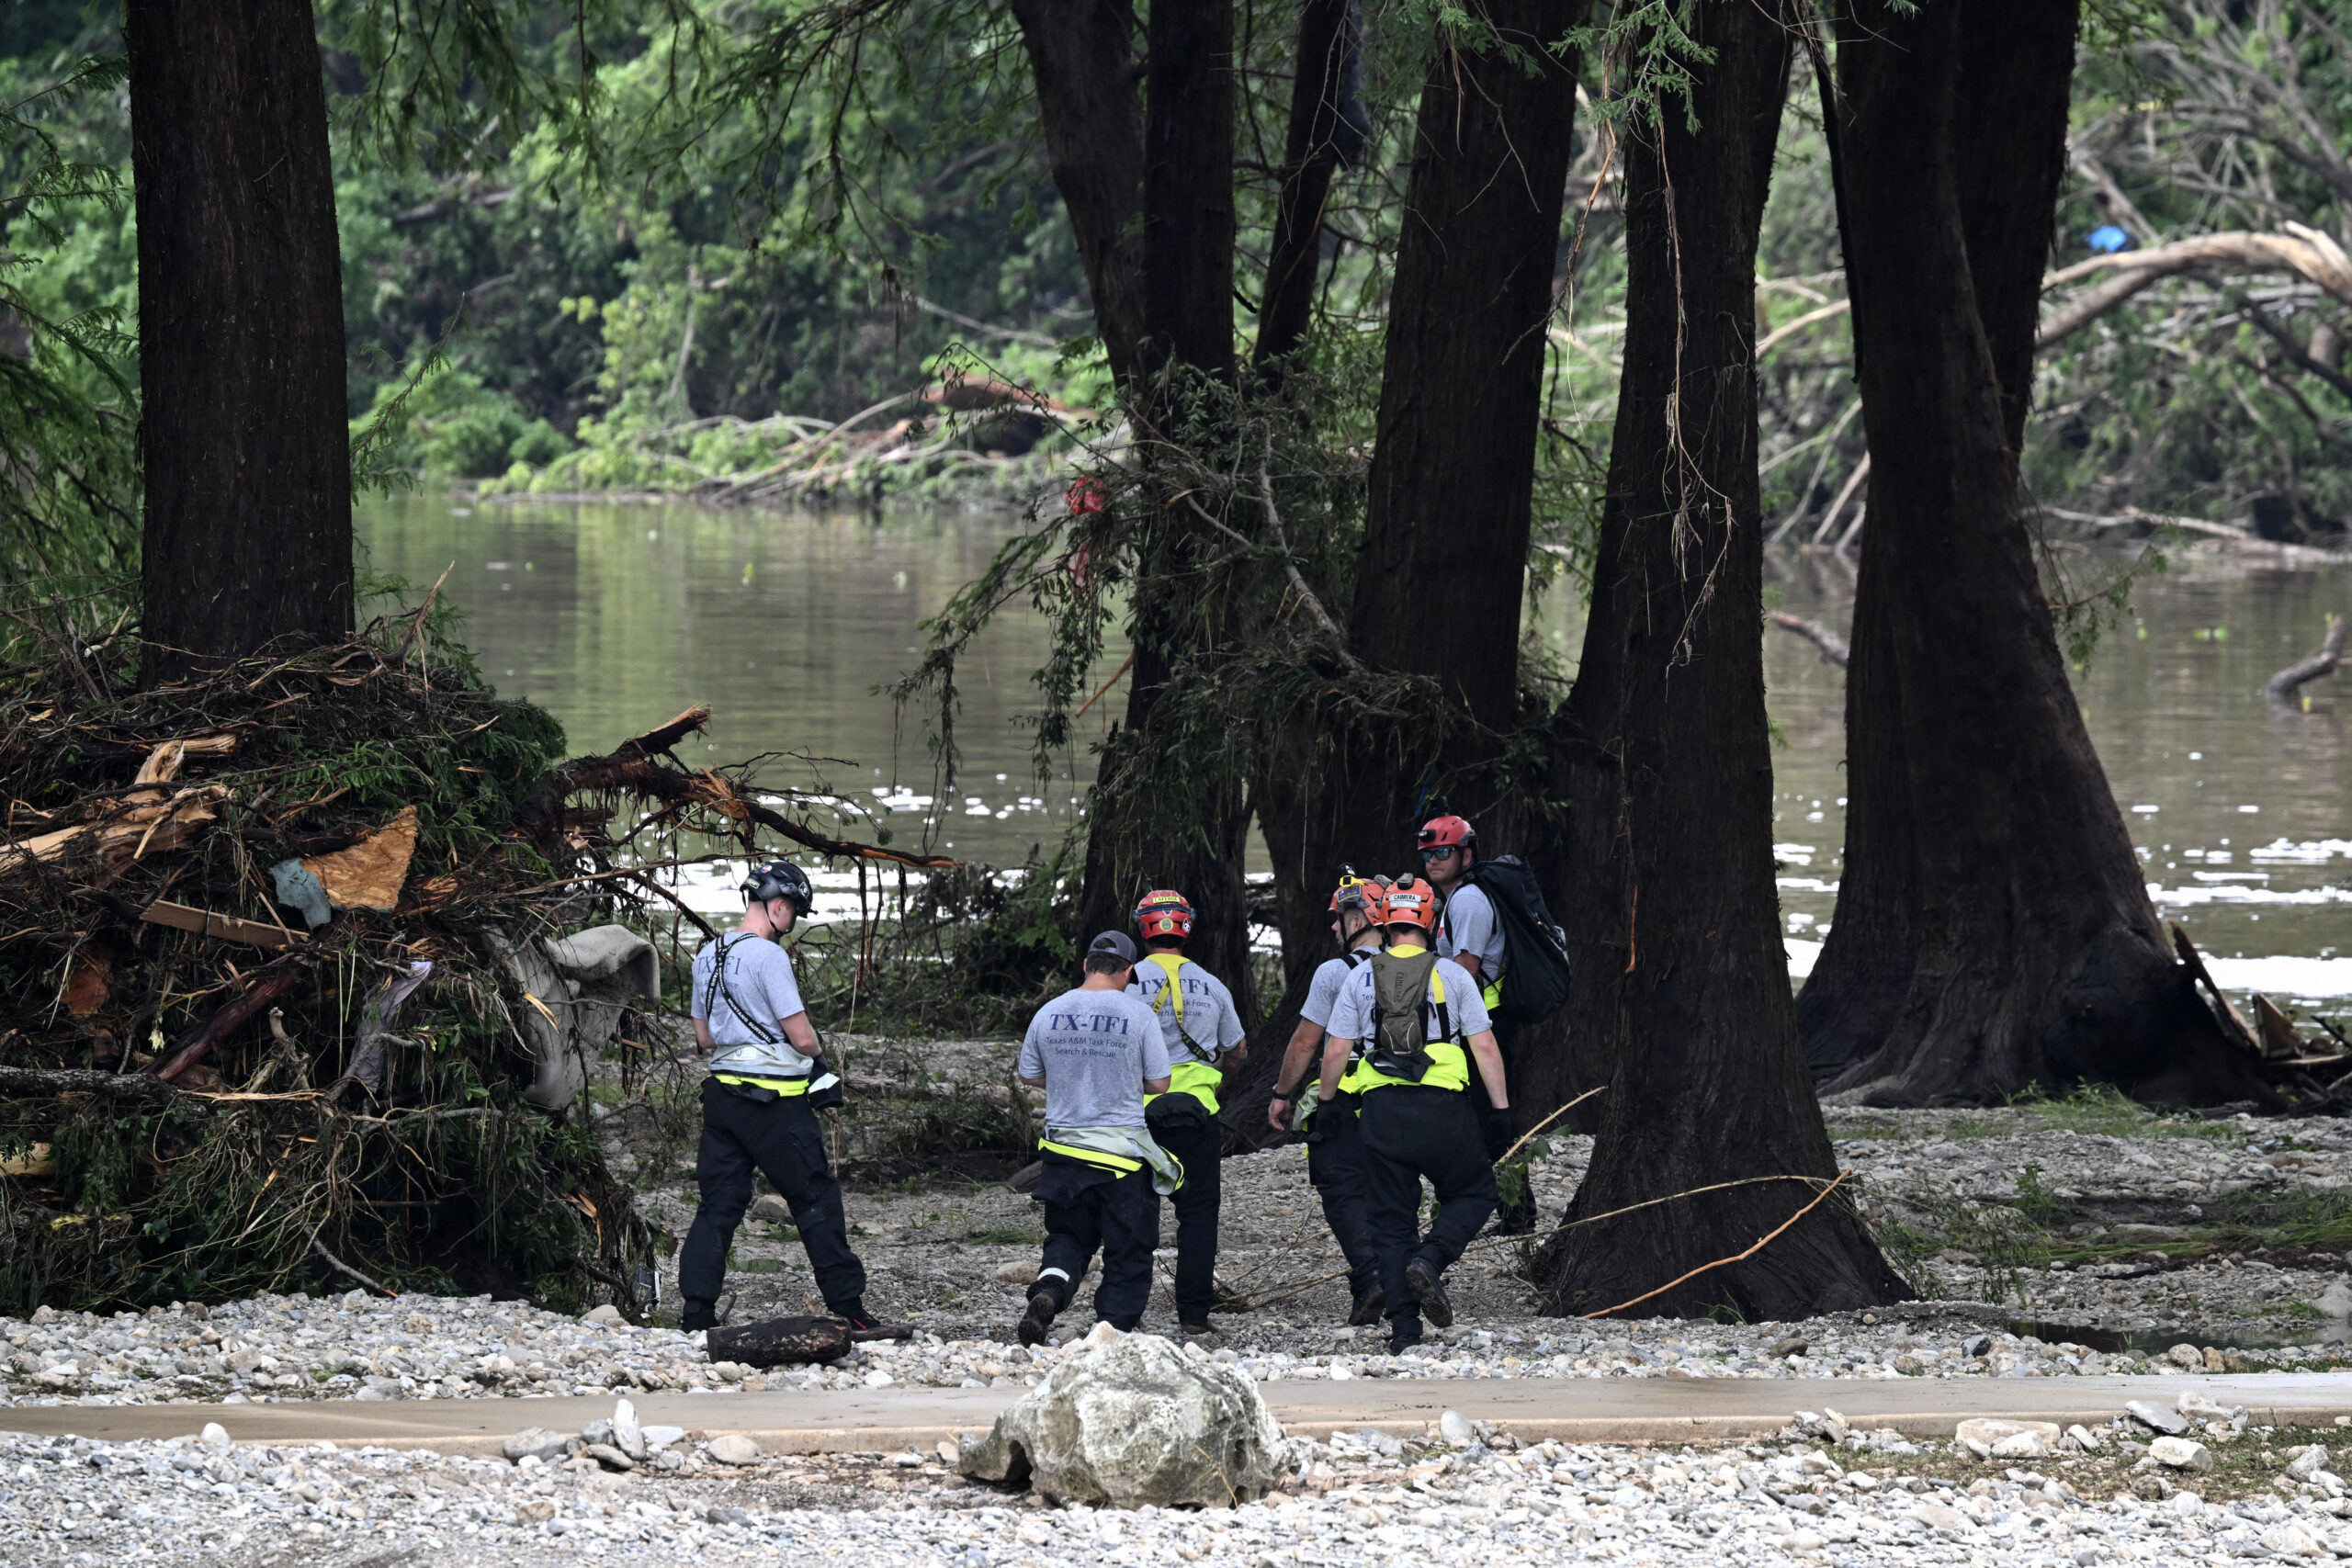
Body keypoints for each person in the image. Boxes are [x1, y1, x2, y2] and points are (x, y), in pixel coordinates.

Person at [1316, 874, 1509, 1354]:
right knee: (1476, 1191)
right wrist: (1502, 1109)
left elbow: (1336, 1050)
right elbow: (1483, 1044)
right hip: (1444, 1110)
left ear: (1384, 921)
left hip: (1381, 1113)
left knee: (1390, 1221)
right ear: (1430, 920)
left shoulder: (1360, 976)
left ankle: (1405, 1332)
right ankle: (1431, 1258)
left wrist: (1325, 1103)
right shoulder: (1455, 975)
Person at [679, 861, 875, 1333]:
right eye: (795, 914)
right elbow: (802, 1037)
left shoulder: (707, 954)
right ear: (778, 906)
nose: (793, 924)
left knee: (717, 1207)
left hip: (722, 1100)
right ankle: (850, 1309)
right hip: (775, 1104)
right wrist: (818, 1054)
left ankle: (695, 1316)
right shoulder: (769, 957)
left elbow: (704, 1038)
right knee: (815, 1201)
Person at [1014, 931, 1178, 1346]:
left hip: (1063, 1153)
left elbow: (1029, 1074)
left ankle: (1050, 1290)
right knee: (1128, 1248)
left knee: (1068, 1238)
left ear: (1086, 965)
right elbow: (1160, 1082)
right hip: (1120, 1158)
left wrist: (1069, 1082)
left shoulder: (1050, 1011)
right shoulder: (1138, 1015)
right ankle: (1113, 1327)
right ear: (1128, 971)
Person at [1266, 872, 1389, 1326]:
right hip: (1405, 1097)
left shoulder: (1336, 972)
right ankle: (1403, 1275)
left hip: (1347, 1094)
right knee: (1392, 1187)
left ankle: (1370, 1277)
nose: (1335, 930)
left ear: (1358, 918)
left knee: (1340, 1188)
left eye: (1339, 920)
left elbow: (1305, 1043)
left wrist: (1282, 1094)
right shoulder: (1421, 967)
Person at [1125, 889, 1248, 1341]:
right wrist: (1212, 1072)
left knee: (1136, 1212)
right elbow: (1237, 1051)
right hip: (1199, 1112)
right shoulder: (1213, 985)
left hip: (1140, 1113)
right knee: (1198, 1216)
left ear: (1143, 927)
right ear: (1187, 928)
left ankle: (1126, 1310)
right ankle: (1194, 1315)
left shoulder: (1127, 979)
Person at [1419, 812, 1532, 1235]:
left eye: (1443, 852)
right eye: (1428, 853)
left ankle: (1517, 1213)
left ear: (1466, 855)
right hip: (1481, 1018)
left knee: (1494, 1115)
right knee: (1485, 1115)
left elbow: (1464, 969)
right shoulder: (1459, 898)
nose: (1433, 860)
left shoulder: (1466, 901)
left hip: (1485, 1021)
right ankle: (1509, 1209)